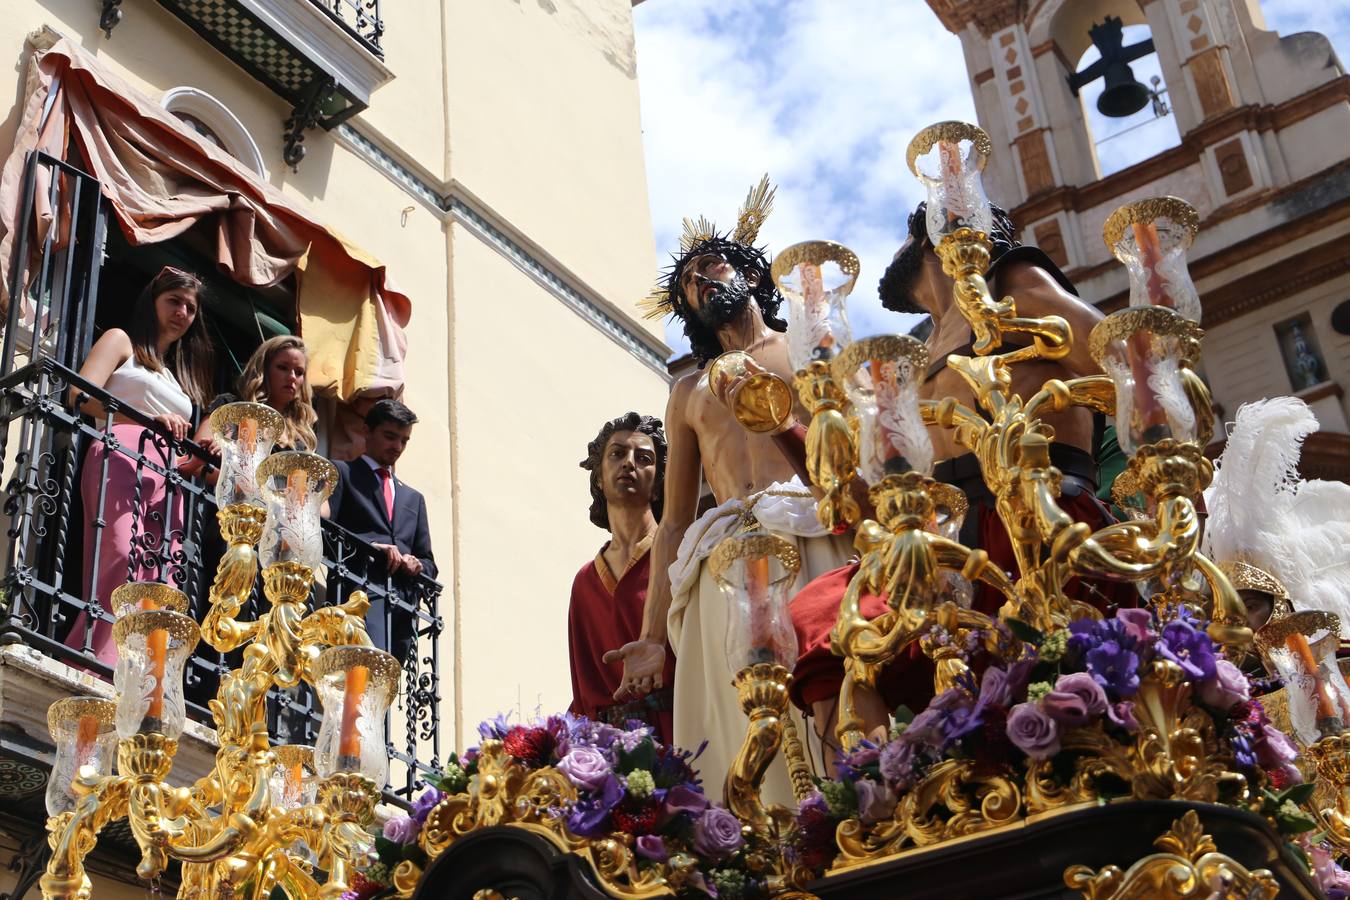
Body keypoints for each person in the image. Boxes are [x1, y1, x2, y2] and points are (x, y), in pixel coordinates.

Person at [787, 203, 1135, 761]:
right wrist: (799, 424)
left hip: (1030, 516)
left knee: (1039, 682)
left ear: (940, 232)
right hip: (947, 538)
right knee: (827, 615)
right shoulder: (921, 347)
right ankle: (867, 788)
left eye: (905, 236)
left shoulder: (1012, 286)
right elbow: (867, 499)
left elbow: (1128, 367)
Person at [607, 179, 851, 802]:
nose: (702, 282)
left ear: (749, 272)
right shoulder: (688, 394)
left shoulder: (807, 346)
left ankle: (846, 810)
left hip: (810, 537)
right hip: (723, 565)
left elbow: (851, 450)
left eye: (712, 266)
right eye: (688, 281)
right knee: (734, 718)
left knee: (826, 693)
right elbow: (673, 523)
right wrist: (653, 634)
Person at [68, 266, 215, 665]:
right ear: (152, 302)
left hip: (168, 480)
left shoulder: (179, 380)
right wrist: (147, 422)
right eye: (174, 301)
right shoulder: (121, 342)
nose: (182, 312)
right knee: (117, 556)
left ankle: (139, 671)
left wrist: (201, 460)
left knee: (159, 575)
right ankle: (97, 661)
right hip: (122, 454)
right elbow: (77, 396)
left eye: (190, 307)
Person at [569, 412, 676, 741]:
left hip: (680, 736)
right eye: (617, 454)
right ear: (599, 477)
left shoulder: (681, 554)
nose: (629, 463)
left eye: (643, 458)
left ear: (658, 486)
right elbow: (583, 693)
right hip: (609, 756)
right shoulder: (585, 582)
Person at [327, 399, 436, 659]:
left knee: (385, 687)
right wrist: (371, 549)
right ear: (367, 431)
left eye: (404, 440)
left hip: (403, 608)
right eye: (389, 436)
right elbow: (326, 535)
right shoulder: (342, 473)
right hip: (359, 594)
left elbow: (429, 563)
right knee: (363, 677)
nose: (397, 446)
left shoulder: (414, 499)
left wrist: (417, 565)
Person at [191, 334, 318, 457]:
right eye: (282, 367)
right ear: (263, 369)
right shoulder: (231, 407)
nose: (292, 377)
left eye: (299, 372)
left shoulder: (302, 438)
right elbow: (195, 459)